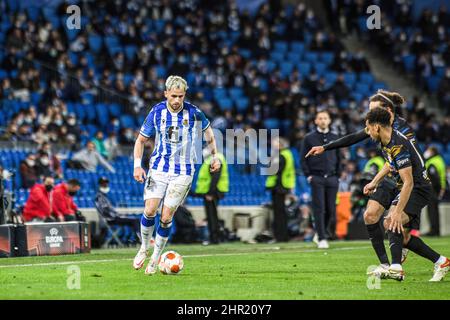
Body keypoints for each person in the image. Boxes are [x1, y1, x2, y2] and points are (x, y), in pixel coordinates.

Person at [305, 90, 411, 268]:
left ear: (386, 110)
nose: (369, 115)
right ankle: (386, 265)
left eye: (373, 110)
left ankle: (433, 261)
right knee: (369, 215)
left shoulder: (404, 131)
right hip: (389, 177)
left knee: (397, 227)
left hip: (408, 181)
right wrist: (325, 147)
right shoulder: (377, 126)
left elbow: (411, 162)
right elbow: (353, 138)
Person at [132, 75, 220, 275]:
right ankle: (144, 247)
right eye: (173, 96)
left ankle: (155, 259)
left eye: (180, 96)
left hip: (183, 172)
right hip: (159, 169)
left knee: (165, 217)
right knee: (150, 210)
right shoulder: (156, 112)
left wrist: (214, 156)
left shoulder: (194, 112)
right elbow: (140, 140)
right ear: (165, 94)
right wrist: (137, 166)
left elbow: (209, 134)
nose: (177, 100)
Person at [364, 107, 449, 281]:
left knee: (391, 220)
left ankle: (395, 267)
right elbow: (389, 164)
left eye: (369, 127)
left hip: (418, 188)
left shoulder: (397, 144)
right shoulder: (386, 141)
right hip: (407, 186)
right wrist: (374, 182)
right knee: (399, 233)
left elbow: (409, 181)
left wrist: (396, 210)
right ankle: (441, 261)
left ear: (377, 127)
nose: (368, 131)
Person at [301, 110, 341, 249]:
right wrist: (308, 175)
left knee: (330, 209)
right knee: (319, 208)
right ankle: (322, 237)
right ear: (316, 121)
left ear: (329, 120)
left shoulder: (335, 137)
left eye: (325, 118)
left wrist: (338, 175)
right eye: (320, 118)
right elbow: (303, 159)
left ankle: (320, 232)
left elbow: (339, 157)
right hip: (316, 177)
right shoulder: (309, 138)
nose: (323, 120)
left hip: (332, 178)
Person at [194, 148, 229, 244]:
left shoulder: (214, 159)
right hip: (211, 191)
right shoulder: (214, 158)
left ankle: (214, 238)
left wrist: (210, 193)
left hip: (213, 192)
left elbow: (216, 177)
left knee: (212, 215)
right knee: (211, 215)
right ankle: (214, 237)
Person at [266, 137, 296, 242]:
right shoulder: (288, 154)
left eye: (275, 143)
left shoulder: (281, 155)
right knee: (281, 213)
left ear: (280, 144)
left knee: (279, 213)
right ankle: (283, 236)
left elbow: (273, 170)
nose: (273, 145)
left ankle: (280, 237)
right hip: (283, 186)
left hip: (279, 187)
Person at [94, 177, 141, 244]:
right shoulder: (99, 197)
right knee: (135, 220)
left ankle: (136, 238)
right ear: (100, 185)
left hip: (112, 218)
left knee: (134, 220)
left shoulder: (103, 196)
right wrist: (117, 215)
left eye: (106, 184)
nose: (106, 185)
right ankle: (139, 238)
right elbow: (105, 211)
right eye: (103, 184)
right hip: (111, 219)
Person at [423, 145, 447, 236]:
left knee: (432, 210)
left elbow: (434, 177)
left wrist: (431, 188)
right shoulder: (440, 160)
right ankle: (436, 230)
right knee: (434, 210)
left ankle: (433, 230)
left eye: (428, 150)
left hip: (432, 188)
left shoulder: (433, 162)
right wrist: (442, 188)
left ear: (432, 152)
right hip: (438, 189)